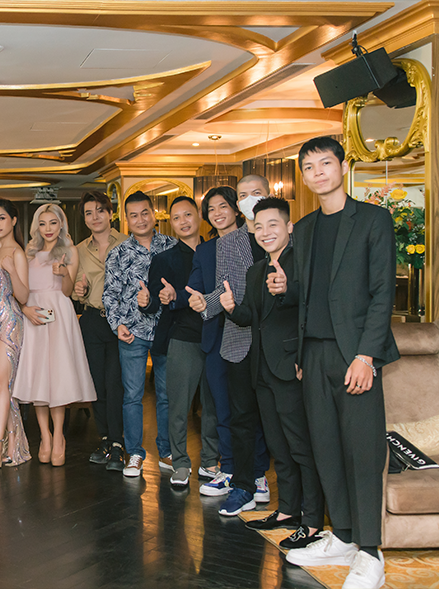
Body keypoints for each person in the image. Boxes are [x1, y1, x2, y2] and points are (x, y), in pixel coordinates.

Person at [281, 136, 398, 589]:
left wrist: (366, 355)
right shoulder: (305, 228)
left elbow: (382, 293)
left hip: (356, 354)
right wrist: (301, 353)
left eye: (325, 163)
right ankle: (345, 536)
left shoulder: (373, 219)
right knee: (325, 449)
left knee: (362, 452)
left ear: (343, 167)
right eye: (309, 168)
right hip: (313, 354)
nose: (318, 173)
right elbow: (309, 295)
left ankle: (370, 551)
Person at [221, 197, 324, 549]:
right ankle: (288, 510)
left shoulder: (302, 263)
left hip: (292, 368)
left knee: (301, 447)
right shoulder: (256, 270)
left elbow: (311, 306)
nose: (265, 232)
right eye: (258, 226)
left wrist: (287, 290)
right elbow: (252, 318)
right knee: (279, 446)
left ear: (289, 227)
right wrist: (232, 308)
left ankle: (313, 521)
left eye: (273, 225)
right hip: (262, 369)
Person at [186, 177, 271, 514]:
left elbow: (244, 291)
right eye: (211, 208)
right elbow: (204, 291)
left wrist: (212, 302)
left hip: (255, 334)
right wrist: (196, 302)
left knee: (253, 410)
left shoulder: (260, 239)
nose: (218, 212)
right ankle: (232, 469)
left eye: (224, 205)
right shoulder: (210, 248)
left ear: (236, 209)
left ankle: (257, 474)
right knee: (224, 409)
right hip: (218, 336)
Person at [141, 196, 218, 488]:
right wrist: (148, 301)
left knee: (213, 404)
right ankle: (181, 462)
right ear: (170, 223)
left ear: (198, 215)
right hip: (182, 338)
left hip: (217, 336)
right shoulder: (165, 259)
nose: (183, 221)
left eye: (188, 214)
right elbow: (153, 303)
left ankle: (210, 461)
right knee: (178, 406)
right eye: (176, 218)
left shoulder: (216, 251)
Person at [13, 203, 96, 466]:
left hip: (59, 313)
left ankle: (59, 435)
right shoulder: (28, 253)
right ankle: (45, 436)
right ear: (36, 226)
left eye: (53, 223)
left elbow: (69, 291)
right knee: (38, 376)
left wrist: (63, 274)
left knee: (57, 376)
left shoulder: (70, 250)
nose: (47, 228)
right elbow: (20, 290)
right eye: (42, 223)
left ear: (61, 225)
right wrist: (25, 309)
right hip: (34, 314)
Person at [102, 191, 176, 477]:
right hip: (132, 333)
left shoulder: (172, 246)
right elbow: (110, 294)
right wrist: (117, 325)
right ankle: (134, 453)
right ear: (126, 219)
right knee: (132, 395)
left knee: (166, 395)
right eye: (133, 215)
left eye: (145, 213)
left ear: (153, 214)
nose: (140, 219)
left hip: (167, 332)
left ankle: (166, 451)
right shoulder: (118, 253)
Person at [71, 191, 127, 472]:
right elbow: (74, 289)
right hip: (92, 320)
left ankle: (118, 442)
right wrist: (78, 290)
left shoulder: (127, 243)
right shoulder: (79, 250)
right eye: (89, 213)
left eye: (100, 211)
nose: (95, 217)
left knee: (116, 383)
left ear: (111, 213)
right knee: (97, 385)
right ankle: (105, 438)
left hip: (120, 323)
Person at [0, 199, 31, 473]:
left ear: (13, 220)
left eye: (1, 218)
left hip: (9, 322)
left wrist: (11, 271)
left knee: (1, 382)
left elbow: (23, 296)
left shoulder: (17, 253)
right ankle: (15, 445)